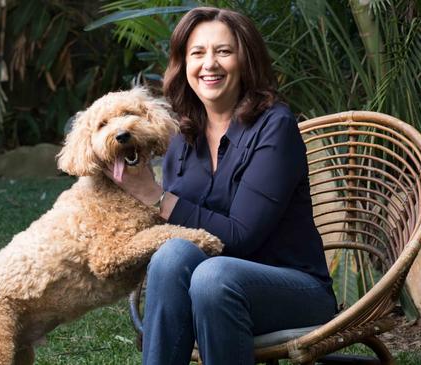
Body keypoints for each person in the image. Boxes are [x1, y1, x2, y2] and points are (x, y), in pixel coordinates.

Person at [104, 6, 337, 365]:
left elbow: (241, 237)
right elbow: (174, 234)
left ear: (246, 60)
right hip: (208, 290)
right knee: (171, 255)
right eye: (197, 53)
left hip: (295, 290)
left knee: (213, 275)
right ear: (184, 65)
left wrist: (155, 196)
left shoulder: (275, 126)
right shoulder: (182, 136)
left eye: (223, 52)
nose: (209, 64)